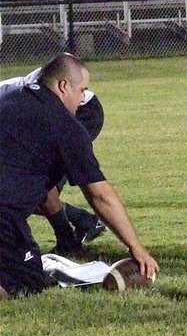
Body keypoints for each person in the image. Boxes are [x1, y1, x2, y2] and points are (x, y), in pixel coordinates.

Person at [0, 53, 159, 299]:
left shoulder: (7, 91)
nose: (83, 98)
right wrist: (135, 247)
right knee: (23, 282)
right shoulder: (65, 126)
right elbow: (99, 195)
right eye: (82, 90)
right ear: (64, 85)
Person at [1, 69, 107, 255]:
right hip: (45, 111)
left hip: (80, 109)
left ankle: (68, 240)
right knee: (15, 190)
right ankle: (82, 222)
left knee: (30, 182)